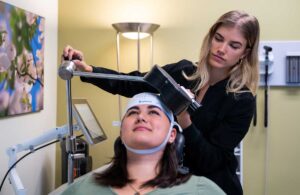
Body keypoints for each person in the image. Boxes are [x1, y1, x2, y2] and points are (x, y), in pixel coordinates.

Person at [62, 10, 260, 195]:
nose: (221, 49)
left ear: (245, 52)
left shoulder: (241, 100)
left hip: (214, 184)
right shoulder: (184, 72)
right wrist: (89, 71)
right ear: (210, 37)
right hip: (169, 180)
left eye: (234, 45)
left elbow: (212, 160)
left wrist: (185, 120)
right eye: (218, 39)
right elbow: (133, 83)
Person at [61, 93, 225, 195]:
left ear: (172, 134)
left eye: (153, 112)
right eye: (133, 112)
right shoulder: (82, 189)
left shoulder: (200, 190)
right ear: (121, 132)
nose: (141, 117)